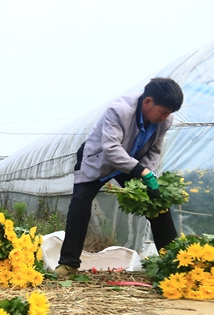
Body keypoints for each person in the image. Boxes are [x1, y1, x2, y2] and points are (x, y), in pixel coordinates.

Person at [54, 77, 184, 277]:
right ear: (147, 101)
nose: (165, 117)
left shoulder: (164, 120)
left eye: (169, 113)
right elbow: (111, 150)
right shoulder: (119, 110)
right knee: (80, 204)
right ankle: (68, 263)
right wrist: (142, 171)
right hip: (98, 160)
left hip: (131, 163)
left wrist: (147, 174)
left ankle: (173, 261)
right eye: (163, 111)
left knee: (156, 203)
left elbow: (154, 150)